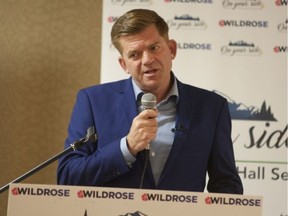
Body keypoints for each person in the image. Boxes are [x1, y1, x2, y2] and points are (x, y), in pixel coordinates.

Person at [57, 9, 243, 194]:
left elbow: (226, 185)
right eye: (135, 54)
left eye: (154, 48)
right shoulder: (93, 101)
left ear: (171, 49)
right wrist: (127, 147)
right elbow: (68, 177)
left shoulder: (211, 107)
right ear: (124, 65)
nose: (147, 60)